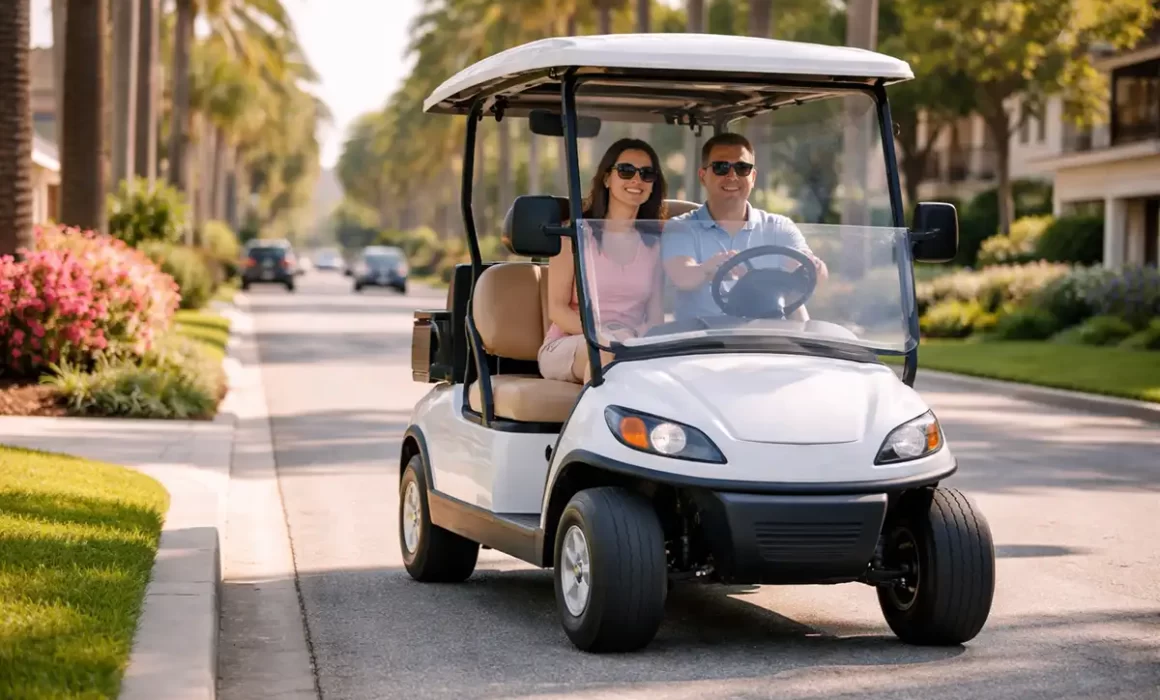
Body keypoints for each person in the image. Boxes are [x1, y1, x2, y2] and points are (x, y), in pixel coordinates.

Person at [661, 132, 828, 324]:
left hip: (767, 339)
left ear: (753, 176)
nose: (732, 176)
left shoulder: (779, 227)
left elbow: (811, 272)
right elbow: (683, 277)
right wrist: (707, 268)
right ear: (703, 176)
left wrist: (814, 268)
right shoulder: (681, 227)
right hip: (702, 342)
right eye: (721, 167)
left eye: (742, 168)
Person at [538, 138, 668, 384]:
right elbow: (558, 309)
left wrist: (630, 340)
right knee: (606, 355)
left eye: (647, 174)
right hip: (573, 342)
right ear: (607, 179)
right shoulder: (574, 236)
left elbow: (655, 317)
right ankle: (597, 423)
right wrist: (604, 337)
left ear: (653, 185)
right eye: (626, 171)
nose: (636, 180)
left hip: (630, 344)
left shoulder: (655, 243)